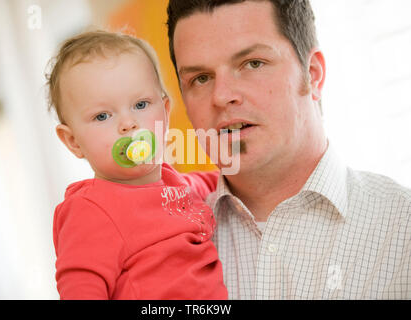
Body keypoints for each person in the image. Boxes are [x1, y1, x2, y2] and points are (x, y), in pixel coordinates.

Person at [167, 0, 411, 299]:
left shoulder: (403, 228)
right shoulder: (162, 248)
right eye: (200, 79)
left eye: (253, 63)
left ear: (313, 73)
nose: (222, 96)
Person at [46, 30, 227, 300]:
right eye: (102, 116)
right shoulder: (90, 210)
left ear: (165, 114)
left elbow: (229, 181)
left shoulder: (183, 186)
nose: (128, 124)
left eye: (141, 104)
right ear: (73, 141)